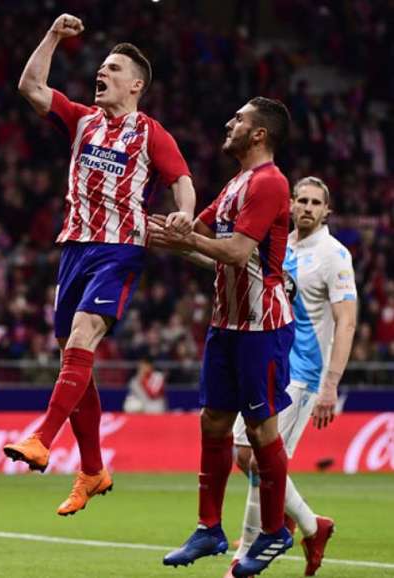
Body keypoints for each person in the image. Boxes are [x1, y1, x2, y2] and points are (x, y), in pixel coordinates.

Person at [2, 13, 196, 517]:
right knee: (73, 355)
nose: (101, 73)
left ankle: (43, 438)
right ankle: (92, 469)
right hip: (74, 249)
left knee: (85, 334)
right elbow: (29, 85)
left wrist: (184, 214)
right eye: (101, 66)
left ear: (135, 85)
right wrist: (51, 34)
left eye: (112, 68)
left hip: (119, 249)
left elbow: (182, 179)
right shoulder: (81, 118)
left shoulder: (152, 133)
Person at [150, 97, 294, 577]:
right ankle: (209, 528)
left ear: (259, 134)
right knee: (213, 423)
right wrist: (155, 230)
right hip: (225, 325)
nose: (228, 123)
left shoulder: (271, 183)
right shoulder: (236, 185)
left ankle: (275, 530)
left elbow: (232, 252)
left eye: (239, 119)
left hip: (262, 327)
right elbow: (201, 239)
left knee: (260, 431)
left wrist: (187, 239)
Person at [224, 176, 357, 578]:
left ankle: (244, 558)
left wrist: (330, 386)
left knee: (264, 460)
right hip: (269, 366)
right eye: (302, 200)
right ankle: (312, 526)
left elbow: (346, 322)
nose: (308, 208)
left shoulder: (334, 255)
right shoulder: (281, 245)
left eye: (317, 202)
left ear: (327, 211)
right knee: (243, 455)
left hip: (302, 376)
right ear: (291, 204)